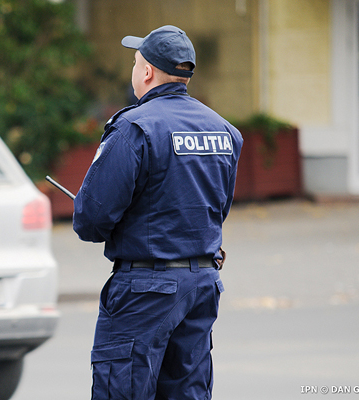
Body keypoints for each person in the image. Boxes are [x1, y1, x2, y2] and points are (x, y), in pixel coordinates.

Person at [73, 25, 243, 400]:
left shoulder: (134, 127)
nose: (134, 71)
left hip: (145, 291)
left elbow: (91, 220)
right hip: (201, 285)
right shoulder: (224, 131)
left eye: (135, 63)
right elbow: (217, 209)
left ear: (147, 72)